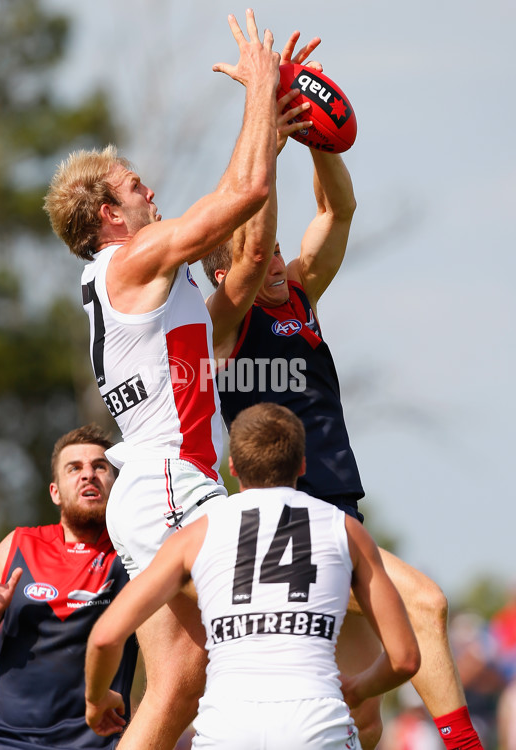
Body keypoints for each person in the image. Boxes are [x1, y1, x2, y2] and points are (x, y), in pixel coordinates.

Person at [200, 32, 484, 750]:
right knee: (425, 603)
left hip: (336, 508)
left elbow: (338, 213)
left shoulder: (298, 295)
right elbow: (257, 220)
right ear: (228, 261)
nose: (266, 257)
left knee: (361, 716)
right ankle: (463, 742)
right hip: (290, 516)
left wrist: (314, 124)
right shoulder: (224, 323)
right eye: (248, 251)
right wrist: (267, 102)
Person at [43, 10, 282, 749]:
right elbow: (232, 202)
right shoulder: (130, 261)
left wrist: (268, 135)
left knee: (182, 680)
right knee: (258, 641)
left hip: (158, 488)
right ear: (109, 215)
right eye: (137, 185)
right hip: (171, 481)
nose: (152, 192)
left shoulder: (141, 292)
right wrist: (260, 91)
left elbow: (241, 265)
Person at [83, 402, 421, 750]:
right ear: (302, 465)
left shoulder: (194, 537)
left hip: (227, 730)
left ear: (233, 466)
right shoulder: (346, 531)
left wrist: (95, 700)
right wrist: (359, 687)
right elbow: (405, 658)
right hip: (316, 727)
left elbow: (105, 638)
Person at [0, 424, 138, 750]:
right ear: (55, 492)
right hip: (2, 741)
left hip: (94, 744)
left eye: (99, 467)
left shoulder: (134, 553)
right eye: (74, 468)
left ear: (115, 485)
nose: (88, 475)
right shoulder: (18, 545)